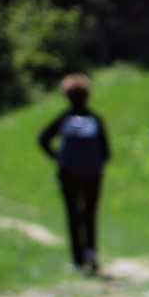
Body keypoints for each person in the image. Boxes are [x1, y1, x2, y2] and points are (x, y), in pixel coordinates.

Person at [38, 74, 111, 274]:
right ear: (87, 95)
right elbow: (106, 153)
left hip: (68, 173)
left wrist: (58, 157)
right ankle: (91, 252)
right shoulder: (96, 119)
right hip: (92, 174)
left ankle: (77, 260)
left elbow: (42, 138)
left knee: (73, 215)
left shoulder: (65, 118)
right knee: (90, 214)